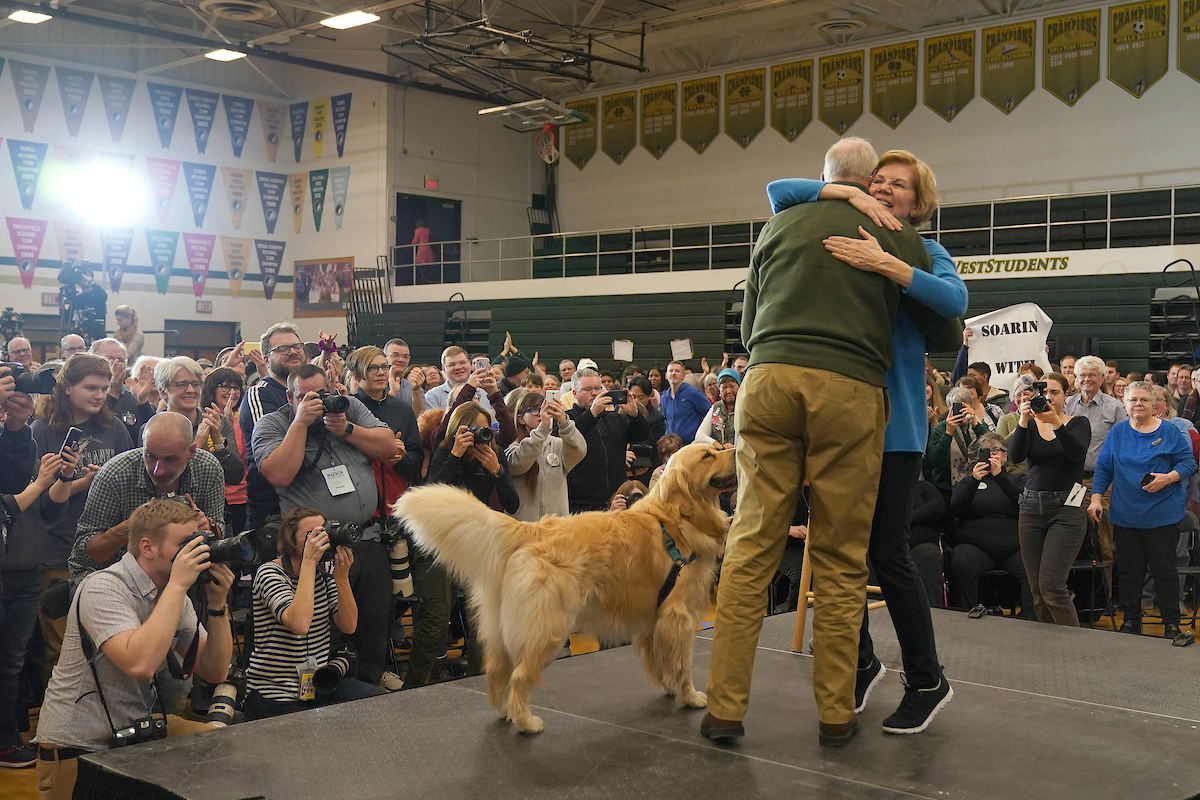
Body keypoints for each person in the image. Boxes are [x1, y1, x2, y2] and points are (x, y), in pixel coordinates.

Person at [703, 137, 936, 748]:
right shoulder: (897, 235)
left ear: (826, 178)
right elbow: (943, 325)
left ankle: (723, 708)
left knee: (752, 544)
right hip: (849, 390)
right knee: (840, 554)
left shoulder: (779, 225)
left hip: (768, 380)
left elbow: (749, 323)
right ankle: (836, 712)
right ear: (866, 184)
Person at [766, 146, 967, 735]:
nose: (884, 188)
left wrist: (889, 266)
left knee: (887, 553)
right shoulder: (846, 224)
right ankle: (858, 662)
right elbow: (779, 190)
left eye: (898, 184)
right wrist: (845, 193)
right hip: (834, 424)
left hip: (895, 428)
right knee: (832, 551)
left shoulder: (923, 249)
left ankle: (927, 679)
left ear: (919, 201)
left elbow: (955, 302)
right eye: (877, 180)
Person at [34, 498, 233, 798]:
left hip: (133, 734)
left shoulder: (171, 591)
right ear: (148, 547)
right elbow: (140, 665)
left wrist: (218, 607)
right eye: (185, 543)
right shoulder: (103, 587)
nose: (196, 551)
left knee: (228, 749)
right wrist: (179, 586)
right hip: (79, 750)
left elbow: (214, 670)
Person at [253, 363, 402, 692]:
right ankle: (329, 690)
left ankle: (368, 687)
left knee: (373, 620)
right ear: (290, 396)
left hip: (367, 537)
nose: (317, 402)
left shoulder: (347, 408)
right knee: (329, 627)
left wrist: (347, 430)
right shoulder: (273, 423)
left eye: (321, 394)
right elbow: (278, 474)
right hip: (318, 547)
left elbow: (389, 446)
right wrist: (301, 423)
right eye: (306, 396)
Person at [33, 354, 135, 681]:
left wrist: (106, 479)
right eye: (90, 387)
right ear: (66, 387)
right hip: (56, 547)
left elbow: (131, 481)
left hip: (106, 548)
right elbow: (43, 501)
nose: (99, 395)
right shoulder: (42, 429)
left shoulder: (113, 427)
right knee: (59, 646)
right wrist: (84, 481)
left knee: (108, 640)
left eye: (105, 388)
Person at [244, 507, 385, 719]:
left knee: (380, 702)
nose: (320, 539)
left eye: (323, 532)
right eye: (311, 535)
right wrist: (308, 562)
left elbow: (349, 625)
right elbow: (299, 624)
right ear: (290, 539)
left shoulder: (324, 572)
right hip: (274, 694)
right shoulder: (270, 573)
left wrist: (342, 577)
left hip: (315, 688)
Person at [68, 412, 226, 590]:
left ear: (191, 452)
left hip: (177, 577)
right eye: (150, 455)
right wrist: (133, 527)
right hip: (108, 579)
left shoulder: (208, 469)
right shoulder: (115, 475)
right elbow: (84, 554)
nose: (158, 470)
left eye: (170, 459)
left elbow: (220, 532)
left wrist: (208, 527)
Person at [1089, 381, 1196, 640]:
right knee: (1129, 573)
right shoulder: (1118, 433)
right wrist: (1094, 499)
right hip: (1126, 515)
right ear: (1124, 404)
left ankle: (1171, 624)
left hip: (1162, 514)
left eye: (1144, 400)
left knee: (1164, 572)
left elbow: (1189, 462)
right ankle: (1131, 622)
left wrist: (1168, 478)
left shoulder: (1170, 432)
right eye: (1133, 400)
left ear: (1154, 404)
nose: (1138, 404)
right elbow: (1104, 468)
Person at [0, 450, 68, 769]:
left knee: (12, 662)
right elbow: (7, 509)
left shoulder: (21, 449)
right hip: (6, 569)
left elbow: (50, 509)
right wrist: (39, 483)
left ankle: (7, 742)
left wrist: (65, 479)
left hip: (28, 571)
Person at [1009, 373, 1091, 626]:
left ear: (1066, 395)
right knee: (1037, 592)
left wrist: (1055, 422)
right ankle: (1048, 649)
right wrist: (1023, 419)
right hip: (1031, 507)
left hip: (1067, 509)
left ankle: (1072, 648)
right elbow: (1015, 457)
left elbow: (1076, 455)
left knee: (1053, 587)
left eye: (1055, 392)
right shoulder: (1030, 426)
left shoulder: (1079, 423)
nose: (1049, 398)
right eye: (1044, 393)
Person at [947, 433, 1033, 617]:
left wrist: (1000, 477)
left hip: (1014, 546)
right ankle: (965, 616)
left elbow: (1024, 503)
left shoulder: (1018, 479)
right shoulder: (968, 481)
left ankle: (1030, 620)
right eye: (987, 451)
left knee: (1034, 567)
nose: (992, 455)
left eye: (997, 451)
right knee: (961, 563)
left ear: (1005, 456)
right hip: (975, 546)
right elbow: (956, 509)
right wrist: (974, 481)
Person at [1064, 355, 1127, 582]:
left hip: (1101, 484)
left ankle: (1104, 598)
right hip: (1069, 482)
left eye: (1092, 375)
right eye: (1082, 375)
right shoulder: (1066, 405)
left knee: (1103, 543)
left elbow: (1124, 446)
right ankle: (1074, 594)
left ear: (1102, 377)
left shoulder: (1116, 408)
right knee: (1069, 537)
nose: (1087, 379)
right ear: (1075, 378)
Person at [240, 323, 306, 529]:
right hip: (273, 510)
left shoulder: (311, 390)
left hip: (309, 500)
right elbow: (276, 448)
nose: (293, 352)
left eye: (297, 346)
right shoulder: (260, 393)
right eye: (283, 349)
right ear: (266, 359)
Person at [564, 368, 650, 514]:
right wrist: (592, 413)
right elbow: (571, 436)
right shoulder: (566, 419)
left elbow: (641, 435)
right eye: (587, 389)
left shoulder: (614, 417)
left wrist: (634, 415)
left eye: (598, 388)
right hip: (581, 501)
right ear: (574, 393)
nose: (594, 393)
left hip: (617, 497)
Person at [156, 357, 243, 486]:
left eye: (196, 384)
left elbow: (235, 477)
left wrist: (219, 443)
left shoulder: (218, 422)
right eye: (182, 384)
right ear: (164, 392)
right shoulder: (153, 428)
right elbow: (162, 479)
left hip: (212, 503)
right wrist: (197, 445)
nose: (191, 390)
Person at [505, 390, 585, 521]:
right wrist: (542, 429)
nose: (541, 414)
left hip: (555, 526)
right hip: (523, 526)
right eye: (535, 410)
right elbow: (519, 464)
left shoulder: (558, 445)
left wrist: (564, 422)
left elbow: (580, 450)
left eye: (544, 408)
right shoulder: (512, 447)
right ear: (521, 419)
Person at [201, 368, 248, 534]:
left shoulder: (242, 421)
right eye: (226, 387)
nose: (232, 392)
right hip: (210, 500)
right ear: (211, 389)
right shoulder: (200, 420)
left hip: (240, 499)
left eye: (236, 388)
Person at [926, 387, 990, 500]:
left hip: (977, 485)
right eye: (957, 408)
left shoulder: (979, 425)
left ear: (971, 406)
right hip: (946, 488)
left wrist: (975, 424)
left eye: (964, 407)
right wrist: (948, 433)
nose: (961, 412)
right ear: (950, 409)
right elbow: (936, 461)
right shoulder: (940, 429)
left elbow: (991, 446)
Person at [423, 346, 495, 415]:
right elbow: (437, 426)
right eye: (452, 365)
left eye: (462, 362)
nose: (458, 367)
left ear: (470, 364)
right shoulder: (433, 396)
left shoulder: (486, 390)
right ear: (444, 369)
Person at [89, 338, 138, 430]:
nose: (116, 363)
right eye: (109, 359)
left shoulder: (134, 398)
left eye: (120, 360)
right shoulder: (85, 394)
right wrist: (113, 394)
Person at [660, 360, 710, 444]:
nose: (673, 373)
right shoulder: (664, 397)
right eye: (671, 371)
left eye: (677, 371)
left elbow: (710, 413)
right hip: (673, 447)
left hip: (693, 444)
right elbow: (666, 421)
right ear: (666, 375)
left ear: (683, 376)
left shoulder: (693, 393)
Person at [695, 369, 741, 448]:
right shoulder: (715, 408)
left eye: (732, 386)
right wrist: (717, 445)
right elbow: (700, 435)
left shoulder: (746, 408)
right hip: (721, 455)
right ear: (719, 391)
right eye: (724, 387)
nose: (728, 391)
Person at [383, 338, 425, 416]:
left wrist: (416, 391)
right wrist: (393, 392)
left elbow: (419, 419)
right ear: (385, 357)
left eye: (405, 357)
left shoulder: (416, 389)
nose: (401, 360)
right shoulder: (375, 385)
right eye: (395, 355)